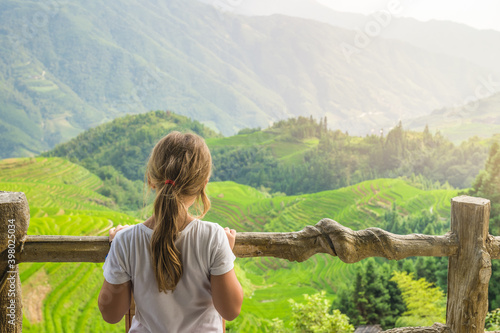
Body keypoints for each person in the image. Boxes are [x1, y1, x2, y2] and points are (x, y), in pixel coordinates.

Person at [98, 131, 243, 332]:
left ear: (150, 180)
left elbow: (111, 313)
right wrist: (225, 252)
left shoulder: (125, 241)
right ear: (202, 185)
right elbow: (231, 310)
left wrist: (114, 249)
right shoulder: (213, 237)